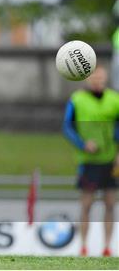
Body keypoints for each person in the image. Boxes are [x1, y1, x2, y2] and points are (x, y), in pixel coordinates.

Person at [63, 65, 119, 257]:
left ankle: (107, 247)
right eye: (94, 78)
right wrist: (82, 144)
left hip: (111, 161)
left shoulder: (115, 99)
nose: (98, 82)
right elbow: (67, 127)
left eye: (101, 78)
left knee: (110, 204)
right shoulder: (77, 100)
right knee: (86, 204)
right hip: (87, 161)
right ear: (88, 79)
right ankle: (84, 247)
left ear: (105, 79)